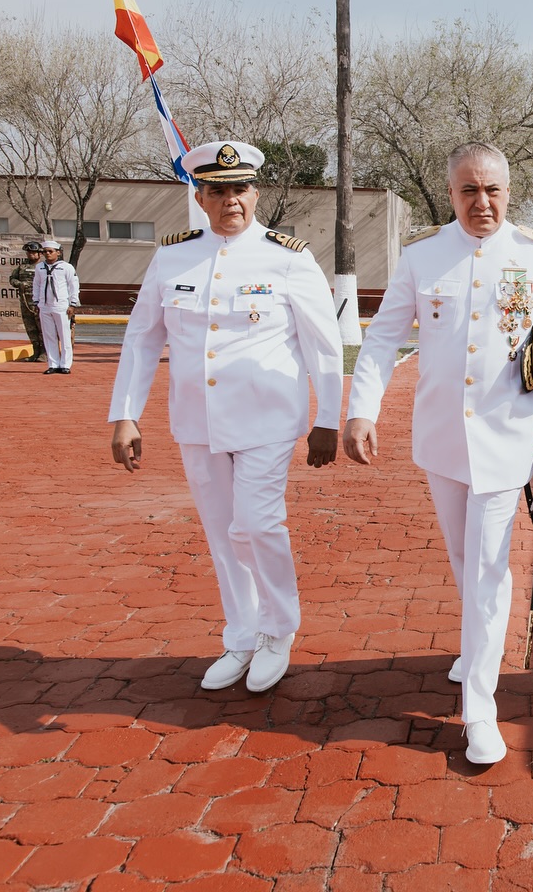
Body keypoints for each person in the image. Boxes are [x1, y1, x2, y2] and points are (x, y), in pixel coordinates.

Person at [345, 141, 533, 766]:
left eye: (493, 190)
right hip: (443, 439)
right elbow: (383, 337)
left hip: (507, 438)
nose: (483, 202)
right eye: (469, 191)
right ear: (451, 193)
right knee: (463, 558)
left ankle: (480, 707)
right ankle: (476, 642)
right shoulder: (424, 256)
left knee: (486, 568)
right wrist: (361, 409)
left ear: (509, 191)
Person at [108, 141, 344, 694]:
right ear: (200, 196)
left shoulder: (288, 257)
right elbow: (142, 340)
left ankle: (278, 630)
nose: (231, 201)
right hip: (198, 422)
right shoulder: (172, 258)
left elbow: (324, 345)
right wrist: (125, 415)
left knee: (256, 524)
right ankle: (241, 634)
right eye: (218, 191)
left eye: (240, 189)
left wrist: (328, 418)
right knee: (220, 532)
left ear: (256, 192)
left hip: (267, 419)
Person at [32, 239, 80, 374]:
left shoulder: (66, 267)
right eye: (45, 252)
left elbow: (73, 286)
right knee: (49, 336)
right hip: (45, 305)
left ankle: (65, 364)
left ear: (57, 253)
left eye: (50, 251)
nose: (47, 254)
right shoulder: (40, 267)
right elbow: (36, 285)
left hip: (61, 306)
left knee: (64, 336)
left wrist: (73, 303)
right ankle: (53, 364)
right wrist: (36, 302)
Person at [9, 240, 47, 361]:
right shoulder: (22, 267)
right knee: (31, 329)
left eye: (33, 252)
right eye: (29, 252)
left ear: (39, 254)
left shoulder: (44, 267)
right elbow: (12, 279)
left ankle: (44, 353)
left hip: (40, 303)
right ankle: (35, 352)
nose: (30, 254)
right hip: (25, 302)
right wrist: (19, 284)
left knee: (42, 329)